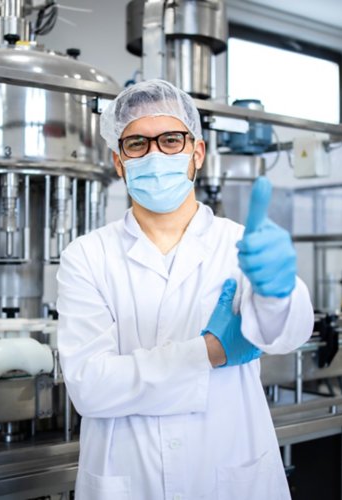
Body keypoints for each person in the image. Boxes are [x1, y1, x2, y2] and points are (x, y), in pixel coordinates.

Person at [56, 79, 314, 500]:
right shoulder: (87, 256)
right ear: (119, 162)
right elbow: (90, 387)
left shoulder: (240, 245)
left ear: (197, 153)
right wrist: (209, 352)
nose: (155, 154)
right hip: (128, 477)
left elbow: (285, 336)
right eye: (137, 143)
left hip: (230, 470)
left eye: (171, 140)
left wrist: (278, 292)